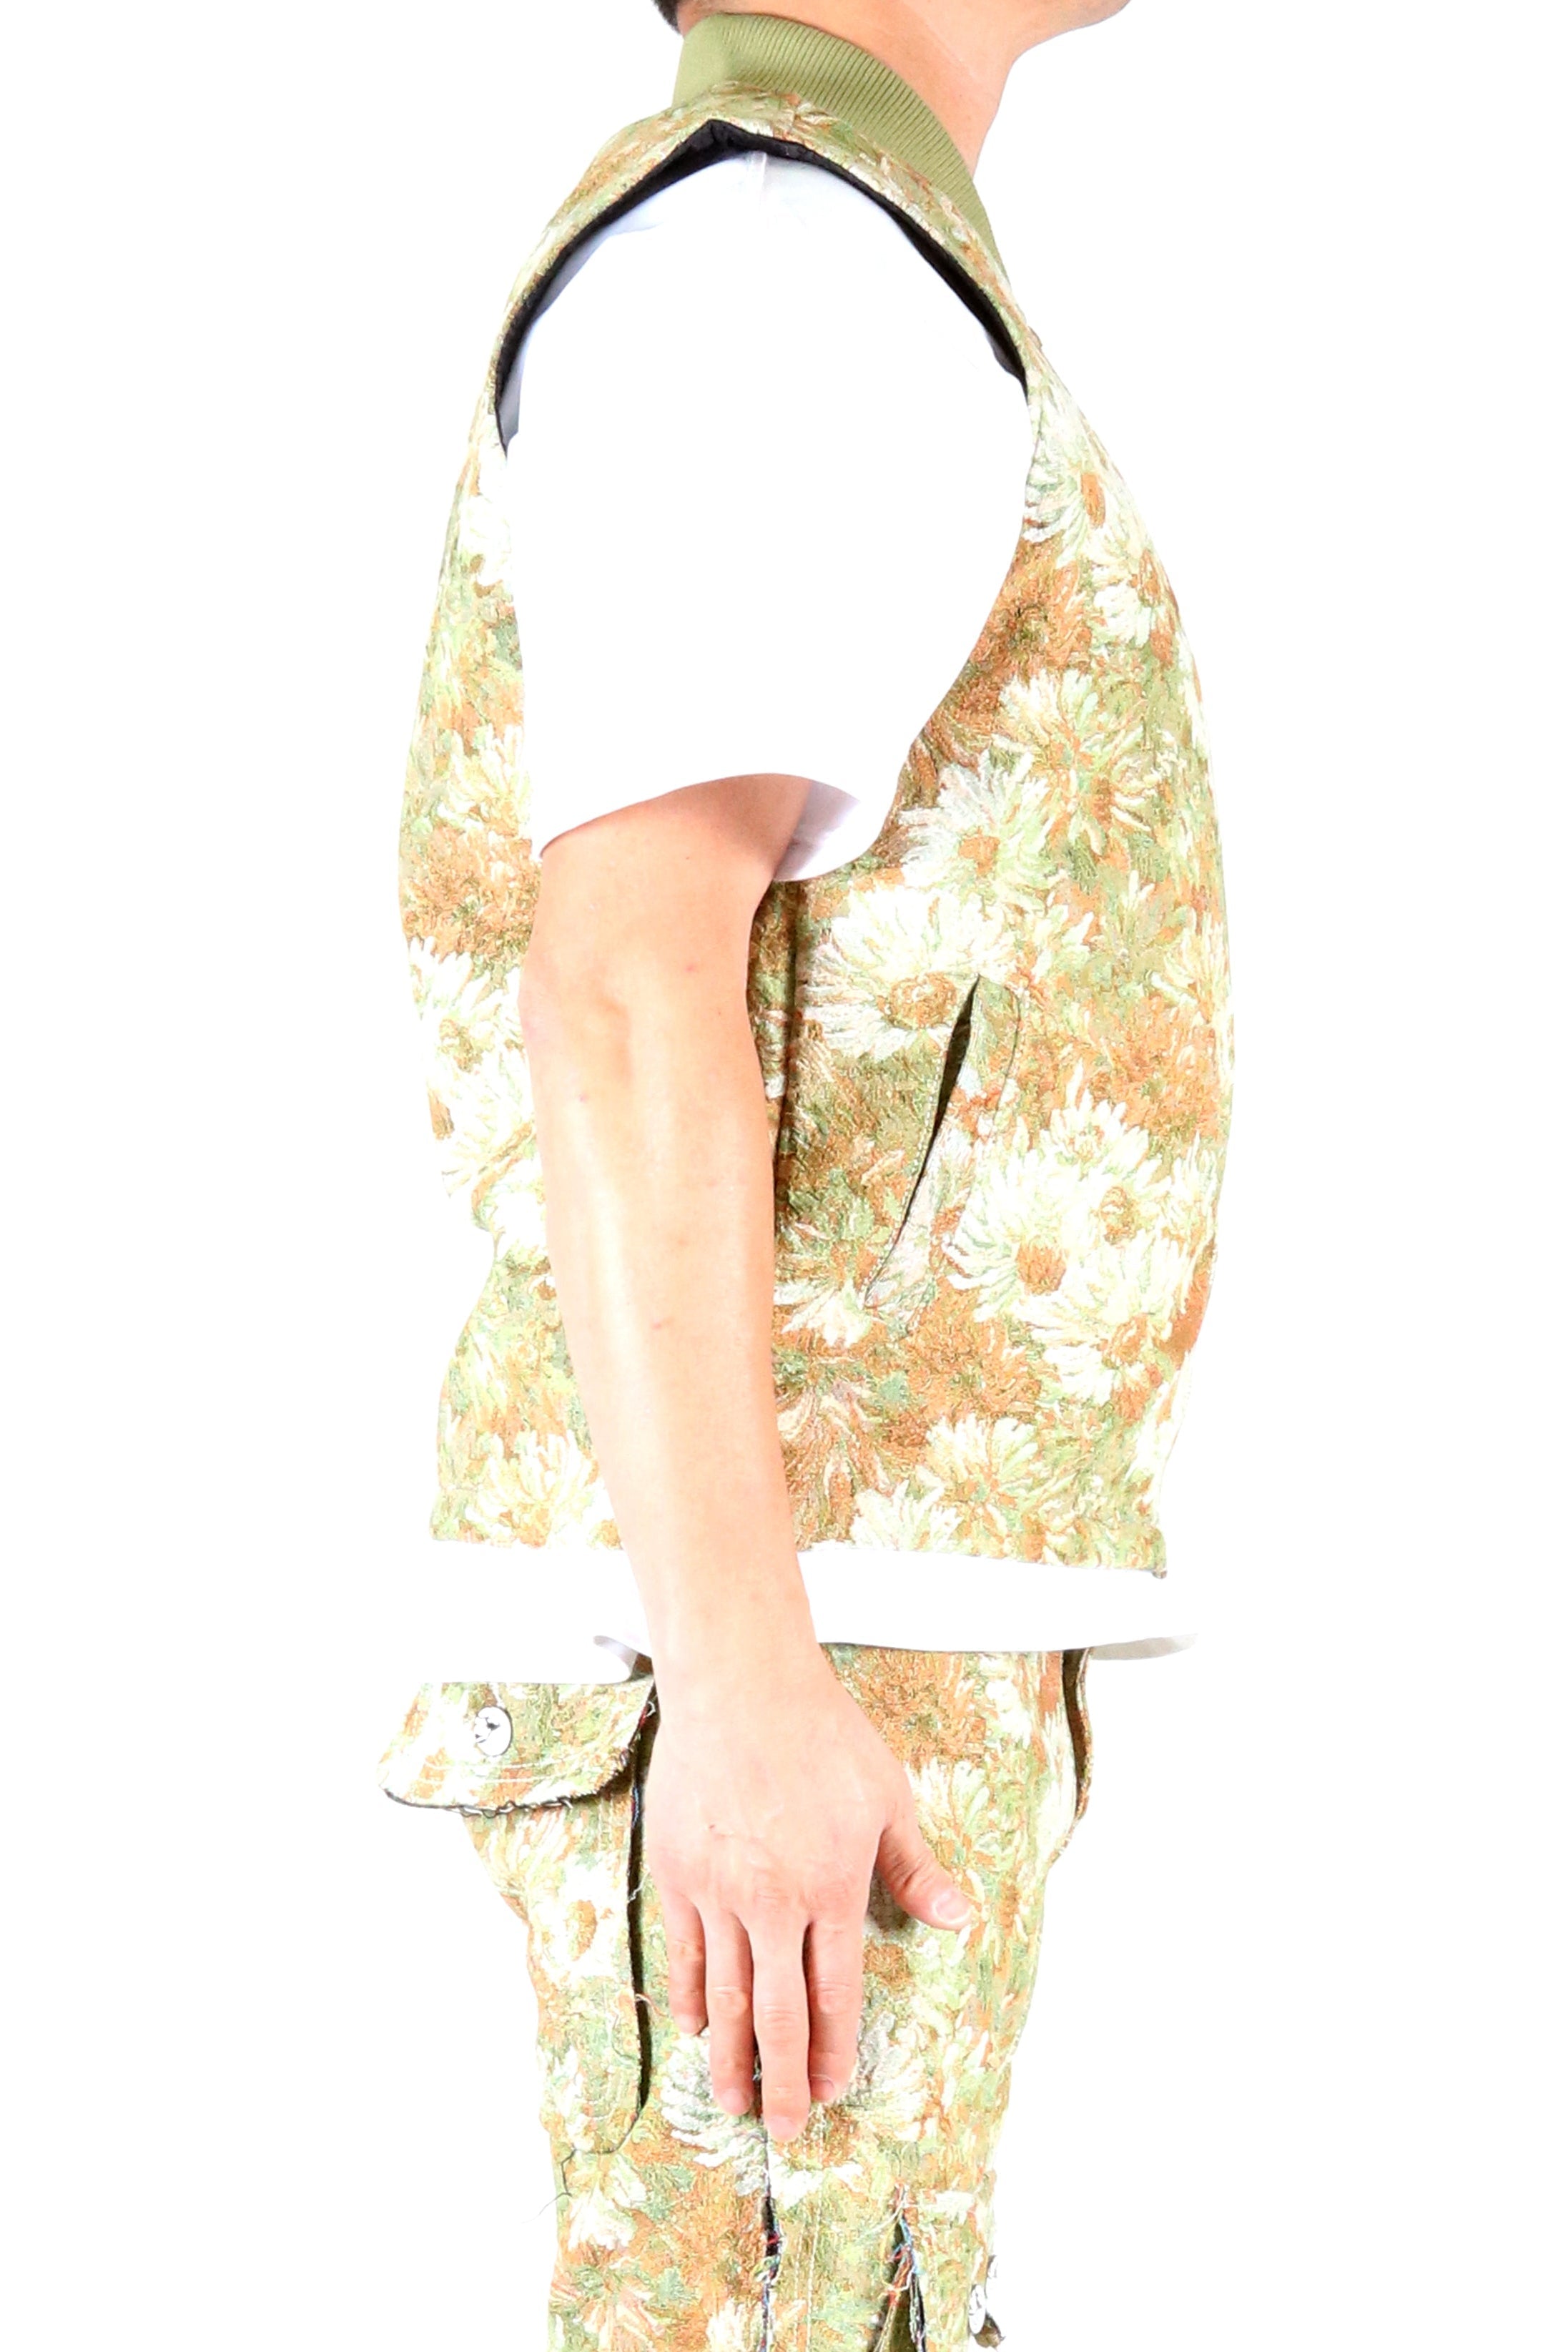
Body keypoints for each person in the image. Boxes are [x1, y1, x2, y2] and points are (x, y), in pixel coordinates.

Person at [381, 4, 1232, 2344]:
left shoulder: (839, 246)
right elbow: (622, 974)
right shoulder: (779, 256)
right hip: (771, 1612)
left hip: (823, 1596)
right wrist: (744, 1675)